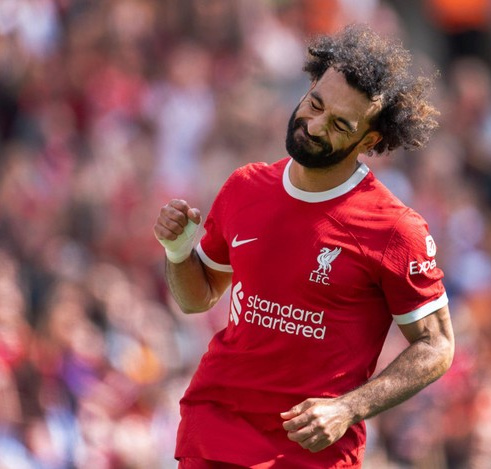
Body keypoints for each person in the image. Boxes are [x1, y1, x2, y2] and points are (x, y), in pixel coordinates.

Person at [153, 24, 455, 469]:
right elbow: (197, 297)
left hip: (309, 452)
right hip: (215, 430)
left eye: (339, 125)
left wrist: (349, 408)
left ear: (369, 141)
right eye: (315, 104)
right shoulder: (244, 186)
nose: (314, 125)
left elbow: (437, 345)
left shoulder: (394, 229)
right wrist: (178, 252)